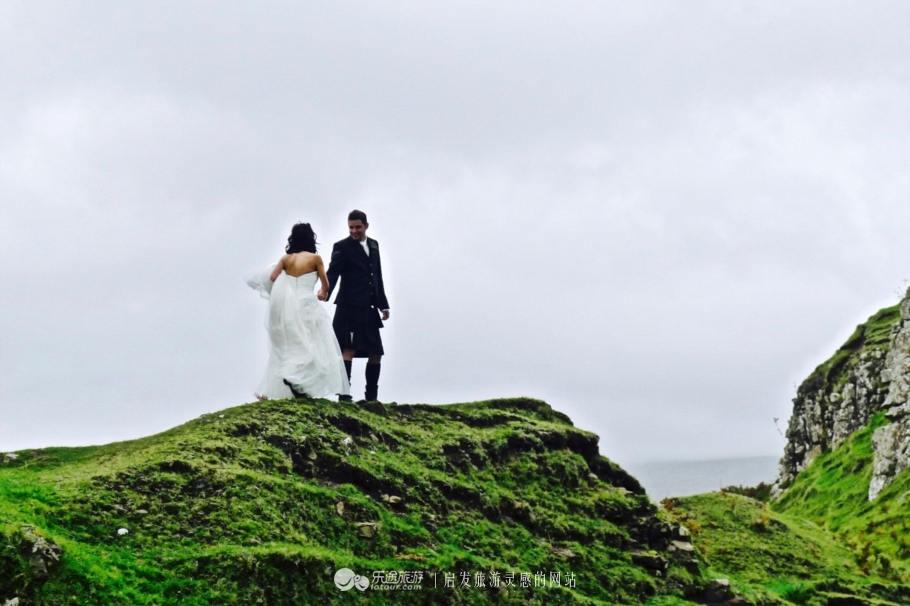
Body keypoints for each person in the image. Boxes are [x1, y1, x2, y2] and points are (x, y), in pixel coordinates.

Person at [247, 223, 350, 400]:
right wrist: (322, 292)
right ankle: (301, 383)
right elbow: (325, 283)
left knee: (293, 345)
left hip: (288, 308)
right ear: (311, 238)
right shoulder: (315, 258)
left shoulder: (286, 259)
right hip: (308, 304)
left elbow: (272, 278)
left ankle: (296, 382)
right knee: (314, 344)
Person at [326, 210, 390, 402]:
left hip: (369, 307)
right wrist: (325, 292)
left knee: (376, 351)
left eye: (357, 227)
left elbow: (377, 276)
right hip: (349, 306)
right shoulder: (342, 247)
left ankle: (372, 399)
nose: (354, 231)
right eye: (351, 227)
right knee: (348, 350)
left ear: (366, 226)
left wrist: (383, 304)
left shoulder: (374, 245)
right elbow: (333, 272)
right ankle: (344, 395)